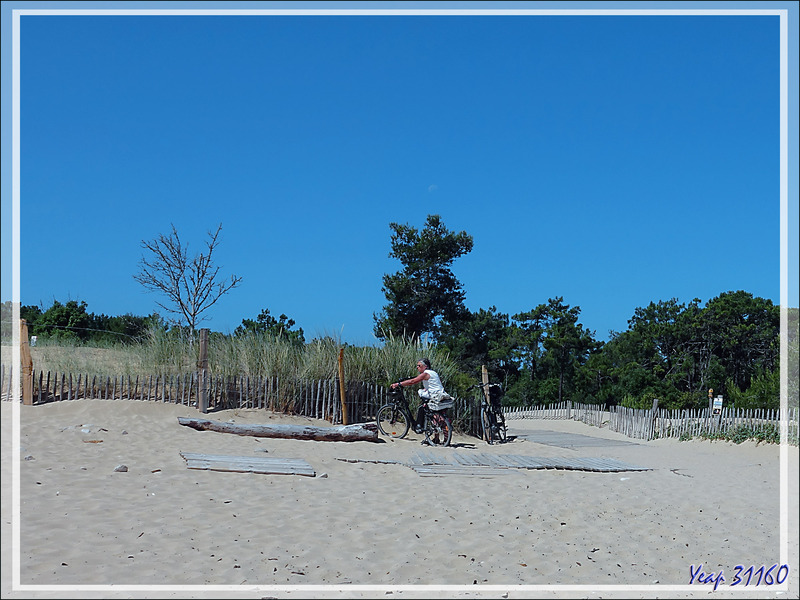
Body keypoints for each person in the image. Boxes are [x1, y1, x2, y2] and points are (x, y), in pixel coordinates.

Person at [391, 358, 452, 434]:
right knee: (426, 408)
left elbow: (413, 381)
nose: (417, 367)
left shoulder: (425, 373)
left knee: (420, 393)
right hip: (440, 394)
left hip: (434, 395)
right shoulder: (433, 373)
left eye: (419, 365)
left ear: (425, 366)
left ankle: (419, 425)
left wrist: (398, 384)